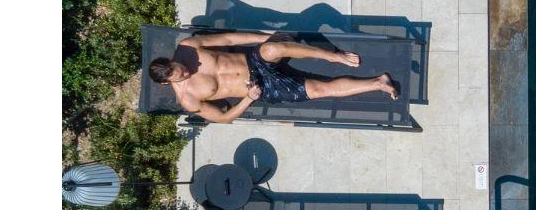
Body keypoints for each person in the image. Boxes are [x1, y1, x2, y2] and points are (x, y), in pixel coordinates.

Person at [147, 32, 399, 124]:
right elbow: (223, 118)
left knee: (273, 49)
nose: (187, 71)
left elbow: (229, 40)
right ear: (167, 82)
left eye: (180, 66)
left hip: (254, 61)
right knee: (321, 90)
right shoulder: (189, 100)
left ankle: (333, 56)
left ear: (172, 60)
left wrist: (263, 37)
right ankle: (379, 83)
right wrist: (248, 99)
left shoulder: (188, 47)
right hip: (262, 88)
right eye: (180, 75)